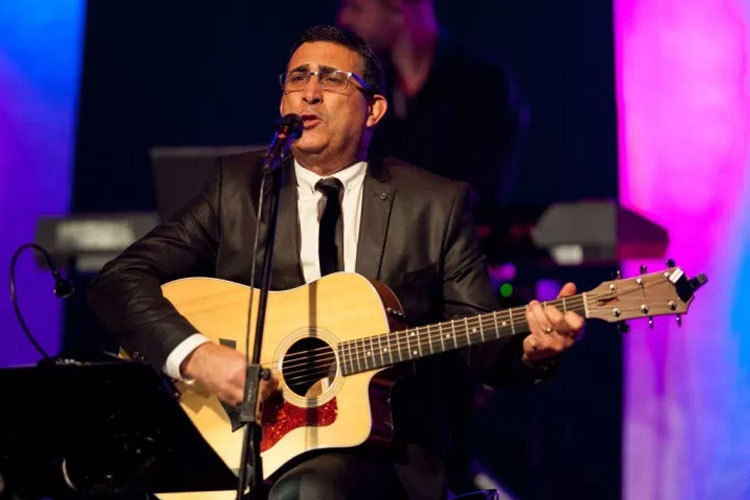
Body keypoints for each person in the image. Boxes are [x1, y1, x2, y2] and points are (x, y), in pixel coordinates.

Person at [88, 25, 583, 500]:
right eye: (297, 78)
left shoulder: (434, 204)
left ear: (374, 110)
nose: (309, 93)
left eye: (332, 79)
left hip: (381, 453)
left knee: (312, 491)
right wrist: (199, 356)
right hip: (240, 438)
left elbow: (480, 344)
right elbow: (120, 281)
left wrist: (532, 350)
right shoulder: (238, 189)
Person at [337, 0, 520, 223]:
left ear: (398, 7)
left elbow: (483, 190)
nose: (344, 19)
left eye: (356, 7)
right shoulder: (371, 88)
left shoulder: (482, 83)